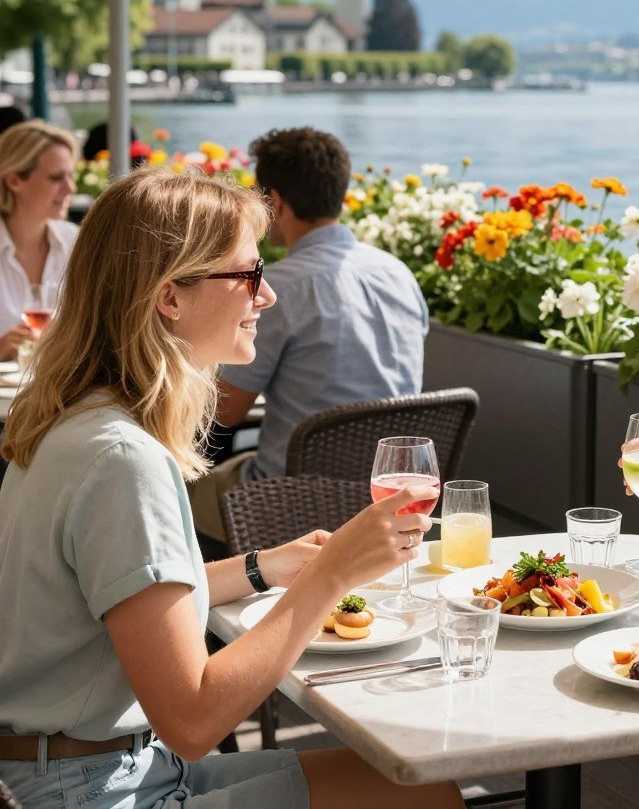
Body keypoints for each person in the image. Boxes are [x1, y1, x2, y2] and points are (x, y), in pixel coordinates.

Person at [0, 168, 463, 809]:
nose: (266, 296)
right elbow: (192, 722)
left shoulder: (81, 420)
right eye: (248, 274)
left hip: (86, 766)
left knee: (415, 782)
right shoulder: (121, 459)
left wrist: (263, 566)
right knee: (420, 796)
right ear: (170, 298)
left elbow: (119, 600)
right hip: (86, 791)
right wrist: (330, 572)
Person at [190, 126, 428, 543]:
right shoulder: (398, 274)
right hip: (392, 497)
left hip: (291, 505)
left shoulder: (278, 289)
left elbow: (220, 414)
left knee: (178, 492)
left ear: (275, 202)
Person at [0, 120, 78, 360]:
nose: (70, 188)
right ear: (14, 181)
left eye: (70, 176)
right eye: (56, 178)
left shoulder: (75, 242)